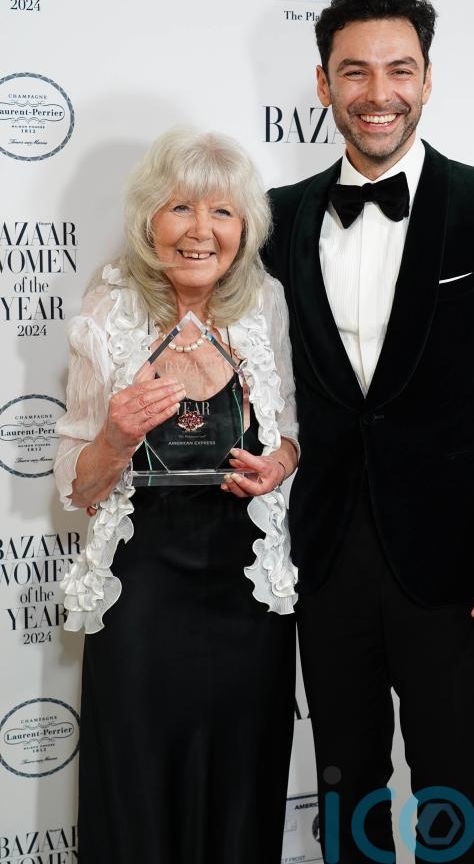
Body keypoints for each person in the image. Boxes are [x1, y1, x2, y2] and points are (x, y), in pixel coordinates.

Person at [264, 0, 474, 863]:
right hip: (325, 554)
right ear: (323, 83)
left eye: (400, 70)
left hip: (457, 560)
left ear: (428, 80)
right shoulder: (277, 217)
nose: (379, 93)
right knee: (345, 791)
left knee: (448, 792)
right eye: (354, 71)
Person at [54, 128, 299, 864]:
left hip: (247, 593)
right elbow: (77, 484)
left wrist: (280, 463)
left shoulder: (265, 303)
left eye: (222, 212)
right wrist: (115, 437)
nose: (201, 231)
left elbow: (290, 433)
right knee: (137, 786)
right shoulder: (110, 308)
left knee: (242, 781)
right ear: (148, 219)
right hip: (142, 591)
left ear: (244, 228)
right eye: (181, 207)